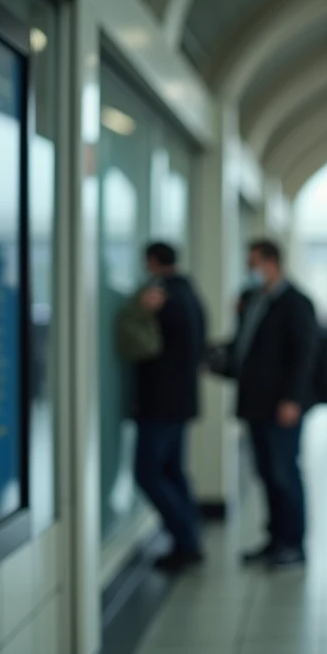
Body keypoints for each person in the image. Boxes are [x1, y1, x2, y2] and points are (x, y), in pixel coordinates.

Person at [232, 239, 319, 570]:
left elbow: (304, 355)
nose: (249, 269)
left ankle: (294, 544)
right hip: (256, 403)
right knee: (266, 473)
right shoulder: (256, 300)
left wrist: (293, 399)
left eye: (253, 262)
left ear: (272, 262)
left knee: (285, 472)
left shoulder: (295, 302)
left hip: (282, 406)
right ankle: (276, 539)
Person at [130, 242, 208, 572]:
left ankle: (186, 540)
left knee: (148, 473)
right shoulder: (191, 294)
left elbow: (139, 338)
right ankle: (188, 540)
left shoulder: (162, 298)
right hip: (180, 400)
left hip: (160, 402)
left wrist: (141, 309)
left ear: (152, 262)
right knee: (173, 471)